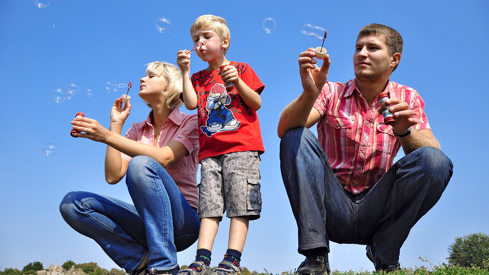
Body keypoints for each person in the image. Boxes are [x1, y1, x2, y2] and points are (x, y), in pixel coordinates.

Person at [277, 23, 453, 274]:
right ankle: (315, 257)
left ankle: (385, 253)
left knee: (435, 161)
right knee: (297, 135)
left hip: (377, 209)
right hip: (330, 206)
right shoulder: (331, 91)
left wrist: (404, 131)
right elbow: (285, 130)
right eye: (358, 48)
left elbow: (433, 152)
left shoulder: (408, 97)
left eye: (372, 48)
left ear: (394, 59)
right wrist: (309, 93)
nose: (362, 53)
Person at [59, 61, 200, 275]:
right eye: (145, 75)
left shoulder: (190, 122)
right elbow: (113, 175)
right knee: (73, 204)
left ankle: (164, 267)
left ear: (170, 86)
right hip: (148, 223)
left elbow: (163, 157)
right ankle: (139, 262)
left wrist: (106, 136)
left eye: (152, 76)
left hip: (183, 223)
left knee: (141, 163)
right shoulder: (136, 130)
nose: (143, 79)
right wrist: (115, 125)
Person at [176, 14, 265, 275]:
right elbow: (191, 104)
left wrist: (236, 81)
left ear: (225, 42)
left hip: (242, 147)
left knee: (240, 204)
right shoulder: (197, 79)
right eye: (195, 39)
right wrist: (184, 70)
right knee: (209, 205)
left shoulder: (242, 68)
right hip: (209, 153)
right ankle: (201, 260)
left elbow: (256, 103)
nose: (200, 43)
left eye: (206, 37)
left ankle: (231, 260)